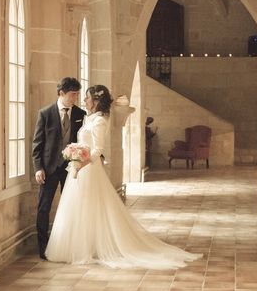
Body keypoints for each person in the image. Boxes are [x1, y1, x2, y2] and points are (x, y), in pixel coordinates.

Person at [45, 85, 201, 269]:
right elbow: (84, 144)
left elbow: (97, 150)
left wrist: (81, 164)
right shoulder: (89, 119)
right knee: (79, 208)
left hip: (88, 170)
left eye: (87, 98)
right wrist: (74, 155)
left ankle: (90, 248)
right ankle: (80, 246)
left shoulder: (99, 121)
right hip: (78, 169)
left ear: (95, 101)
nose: (84, 101)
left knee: (91, 207)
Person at [32, 77, 87, 260]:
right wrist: (38, 168)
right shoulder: (45, 113)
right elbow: (37, 144)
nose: (76, 98)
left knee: (70, 208)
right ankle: (43, 249)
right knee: (43, 208)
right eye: (73, 94)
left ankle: (67, 246)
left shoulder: (80, 113)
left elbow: (83, 142)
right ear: (61, 93)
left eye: (78, 94)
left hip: (70, 169)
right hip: (48, 169)